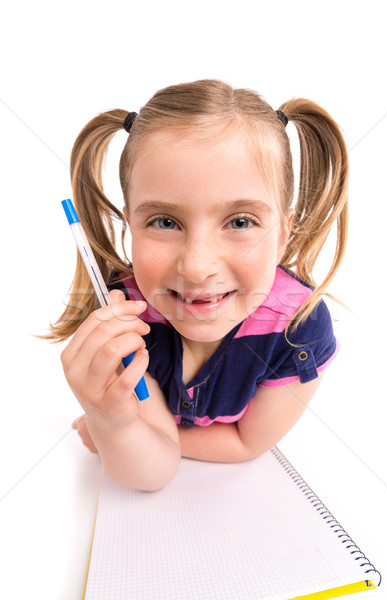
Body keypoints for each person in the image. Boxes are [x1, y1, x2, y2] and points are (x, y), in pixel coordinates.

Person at [46, 79, 348, 492]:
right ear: (129, 225)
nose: (197, 265)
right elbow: (152, 474)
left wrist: (147, 436)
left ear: (283, 235)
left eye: (241, 222)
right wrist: (114, 424)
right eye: (164, 222)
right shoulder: (127, 317)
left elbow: (246, 442)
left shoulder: (299, 331)